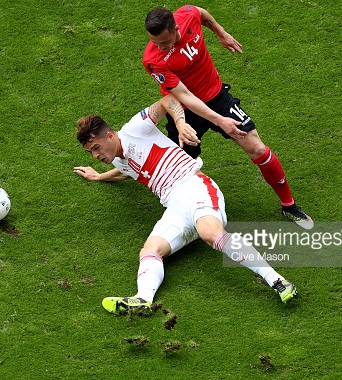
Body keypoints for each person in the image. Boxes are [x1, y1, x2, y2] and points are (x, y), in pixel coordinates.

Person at [74, 95, 297, 315]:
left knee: (211, 234)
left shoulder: (134, 129)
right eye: (90, 152)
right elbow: (125, 172)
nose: (95, 155)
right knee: (150, 251)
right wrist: (98, 177)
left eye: (96, 147)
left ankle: (278, 281)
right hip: (175, 208)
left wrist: (180, 123)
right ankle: (143, 300)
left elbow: (166, 100)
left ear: (110, 136)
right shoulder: (119, 160)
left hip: (195, 187)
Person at [143, 5, 313, 229]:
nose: (160, 47)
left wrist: (221, 33)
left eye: (164, 42)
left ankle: (289, 205)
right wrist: (220, 120)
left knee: (257, 148)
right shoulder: (154, 60)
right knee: (178, 169)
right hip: (186, 112)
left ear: (176, 28)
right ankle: (187, 214)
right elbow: (184, 95)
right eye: (155, 43)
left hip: (218, 97)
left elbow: (200, 12)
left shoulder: (187, 17)